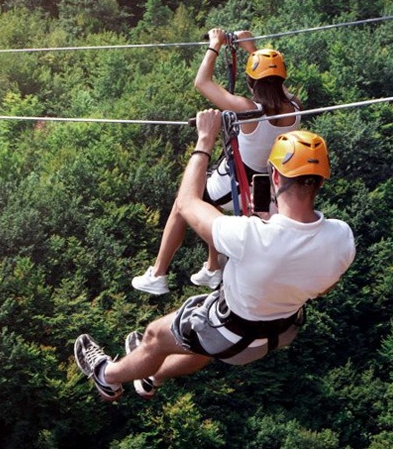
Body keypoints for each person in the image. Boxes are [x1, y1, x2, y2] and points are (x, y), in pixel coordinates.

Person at [75, 111, 355, 401]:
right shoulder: (342, 238)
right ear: (321, 182)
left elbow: (186, 203)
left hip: (230, 332)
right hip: (278, 333)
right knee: (202, 343)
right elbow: (323, 287)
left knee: (155, 337)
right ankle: (152, 377)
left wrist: (205, 139)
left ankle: (106, 377)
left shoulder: (250, 235)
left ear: (274, 175)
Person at [132, 28, 302, 295]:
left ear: (250, 82)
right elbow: (274, 82)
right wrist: (251, 48)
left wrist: (215, 45)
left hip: (238, 180)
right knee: (212, 204)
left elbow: (202, 82)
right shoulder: (296, 107)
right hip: (266, 183)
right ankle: (213, 267)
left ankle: (158, 273)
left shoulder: (247, 110)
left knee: (183, 203)